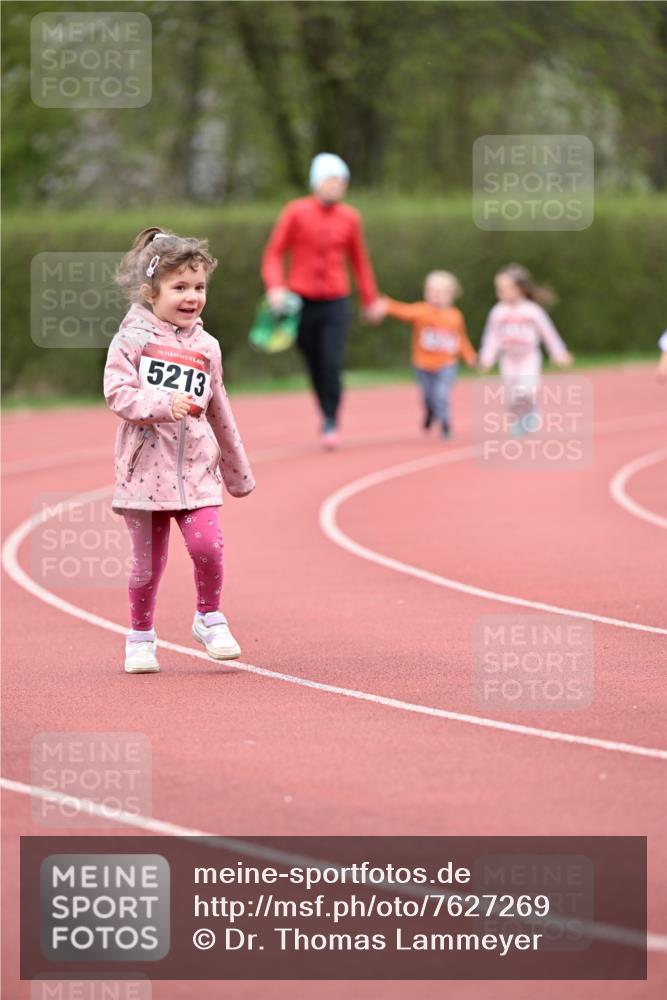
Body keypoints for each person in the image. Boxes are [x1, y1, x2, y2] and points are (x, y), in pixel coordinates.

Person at [104, 227, 255, 674]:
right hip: (145, 473)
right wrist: (160, 405)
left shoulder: (208, 348)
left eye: (199, 287)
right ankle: (140, 636)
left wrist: (237, 470)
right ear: (152, 292)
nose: (192, 297)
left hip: (196, 471)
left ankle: (209, 617)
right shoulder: (132, 341)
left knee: (208, 547)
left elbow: (219, 409)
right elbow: (117, 394)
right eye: (180, 287)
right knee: (147, 567)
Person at [261, 152, 383, 449]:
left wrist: (371, 300)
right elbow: (273, 254)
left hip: (336, 302)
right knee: (314, 362)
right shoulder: (296, 212)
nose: (338, 185)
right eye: (332, 179)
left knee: (331, 361)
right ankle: (326, 408)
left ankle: (330, 418)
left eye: (342, 180)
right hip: (300, 303)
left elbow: (359, 261)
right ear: (317, 182)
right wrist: (276, 287)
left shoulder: (350, 217)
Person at [376, 270, 477, 438]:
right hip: (423, 364)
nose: (435, 296)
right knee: (428, 396)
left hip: (446, 364)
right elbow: (403, 311)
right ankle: (430, 413)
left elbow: (460, 339)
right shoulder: (422, 311)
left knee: (441, 394)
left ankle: (445, 423)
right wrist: (387, 304)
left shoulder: (455, 316)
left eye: (440, 292)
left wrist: (470, 356)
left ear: (451, 295)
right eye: (431, 291)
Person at [478, 263, 573, 434]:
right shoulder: (497, 312)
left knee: (527, 389)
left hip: (528, 356)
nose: (502, 293)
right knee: (511, 395)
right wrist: (487, 357)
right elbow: (491, 337)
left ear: (520, 288)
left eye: (506, 288)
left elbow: (548, 333)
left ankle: (531, 412)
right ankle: (517, 420)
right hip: (508, 359)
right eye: (499, 289)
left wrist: (559, 352)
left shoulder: (532, 311)